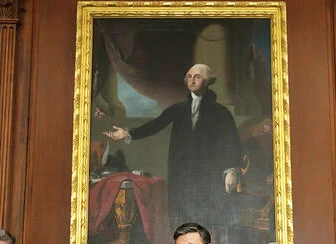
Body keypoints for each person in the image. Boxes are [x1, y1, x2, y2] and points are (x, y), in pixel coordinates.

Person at [103, 64, 241, 230]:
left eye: (197, 76)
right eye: (189, 76)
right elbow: (155, 125)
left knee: (206, 221)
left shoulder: (221, 112)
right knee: (181, 219)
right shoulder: (179, 109)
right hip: (181, 175)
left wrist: (231, 170)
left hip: (208, 177)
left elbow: (231, 141)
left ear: (208, 81)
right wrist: (126, 134)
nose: (192, 80)